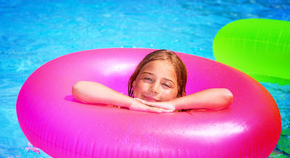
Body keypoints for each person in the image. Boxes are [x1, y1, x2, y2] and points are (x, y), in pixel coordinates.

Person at [72, 49, 233, 113]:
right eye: (148, 79)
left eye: (166, 84)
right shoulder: (119, 106)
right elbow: (80, 88)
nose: (154, 88)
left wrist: (176, 104)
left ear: (179, 94)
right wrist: (130, 103)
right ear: (134, 82)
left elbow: (225, 96)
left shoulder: (180, 112)